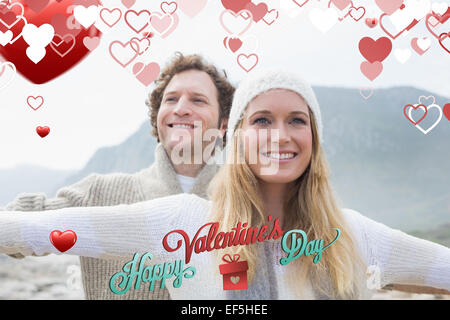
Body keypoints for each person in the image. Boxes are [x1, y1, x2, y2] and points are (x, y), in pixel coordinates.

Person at [1, 69, 449, 299]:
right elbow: (29, 231)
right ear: (235, 139)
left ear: (314, 139)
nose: (280, 134)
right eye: (260, 120)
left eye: (297, 120)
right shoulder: (183, 221)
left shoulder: (351, 235)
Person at [0, 52, 235, 300]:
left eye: (198, 100)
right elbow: (22, 223)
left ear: (223, 124)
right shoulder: (98, 192)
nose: (180, 109)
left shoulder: (248, 202)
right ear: (158, 115)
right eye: (171, 99)